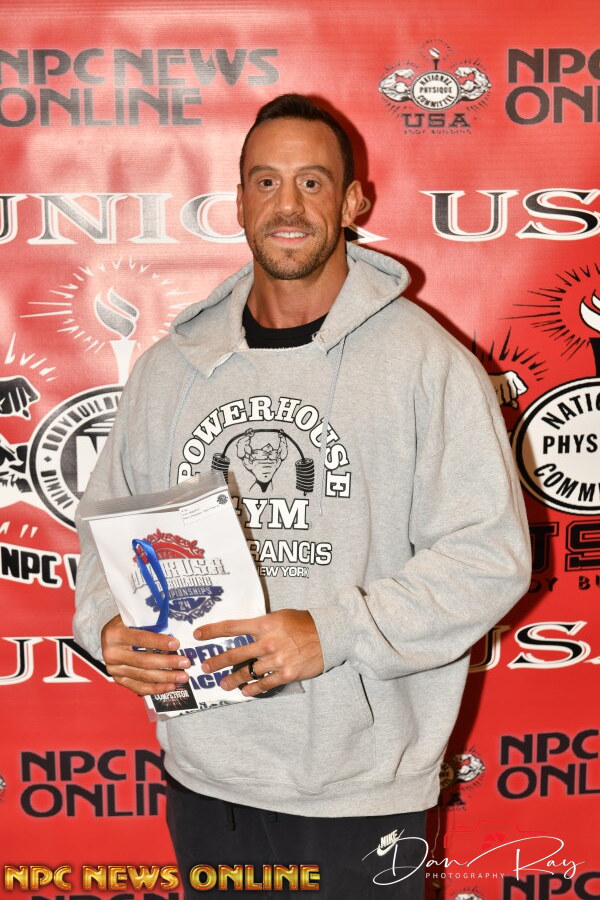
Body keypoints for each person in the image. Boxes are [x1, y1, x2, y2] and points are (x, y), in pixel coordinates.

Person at [74, 93, 531, 898]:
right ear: (239, 200)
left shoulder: (426, 364)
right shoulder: (170, 369)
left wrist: (333, 631)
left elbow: (489, 558)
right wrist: (106, 624)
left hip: (362, 794)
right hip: (208, 783)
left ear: (353, 203)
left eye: (312, 182)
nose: (287, 205)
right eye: (267, 182)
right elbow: (106, 533)